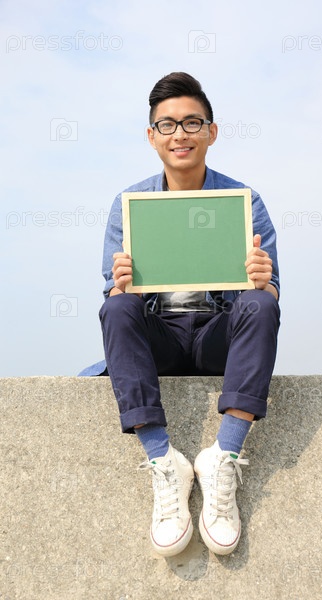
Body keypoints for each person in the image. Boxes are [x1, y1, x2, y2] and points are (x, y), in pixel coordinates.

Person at [98, 72, 280, 557]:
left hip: (219, 333)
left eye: (192, 123)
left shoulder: (245, 202)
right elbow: (114, 292)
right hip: (161, 335)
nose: (180, 134)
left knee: (261, 302)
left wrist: (263, 280)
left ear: (211, 132)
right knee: (116, 306)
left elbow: (272, 292)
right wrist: (120, 284)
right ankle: (163, 460)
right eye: (167, 125)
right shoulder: (128, 205)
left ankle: (225, 454)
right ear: (152, 135)